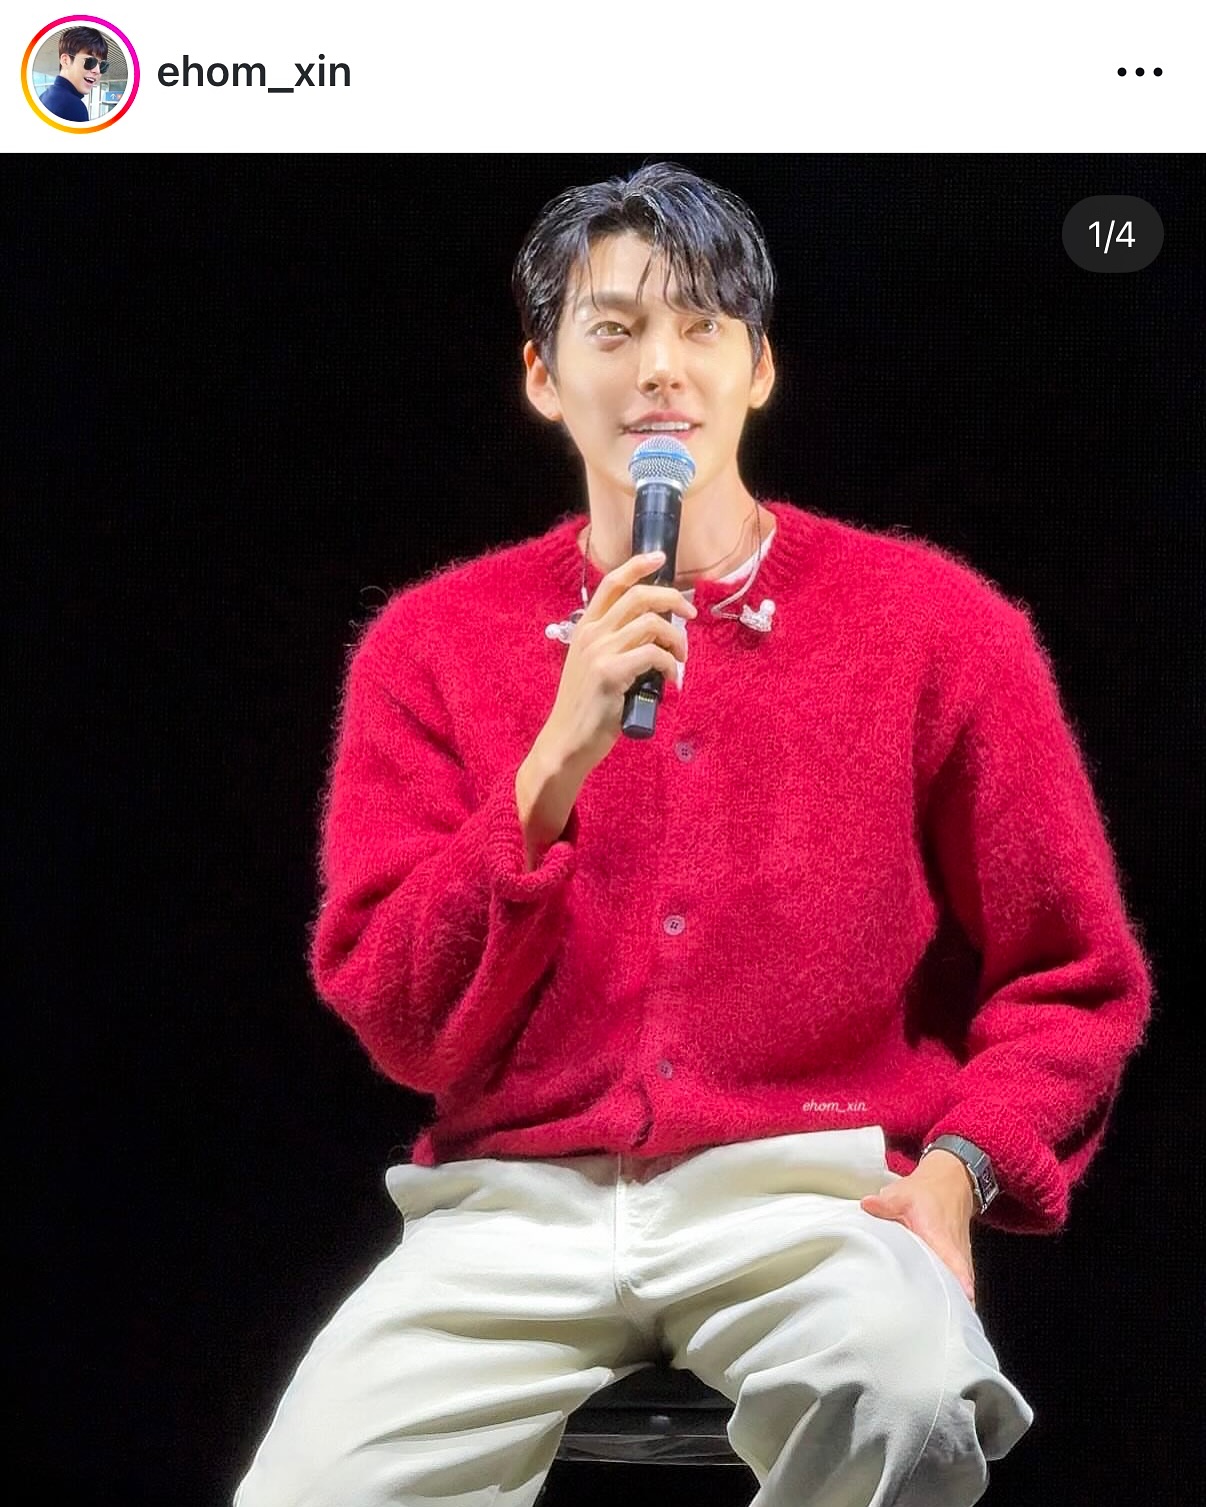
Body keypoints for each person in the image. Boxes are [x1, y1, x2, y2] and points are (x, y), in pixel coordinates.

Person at [234, 162, 1153, 1507]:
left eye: (702, 326)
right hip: (513, 1207)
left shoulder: (936, 626)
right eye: (612, 329)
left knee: (910, 1395)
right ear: (545, 376)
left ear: (757, 368)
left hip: (809, 1193)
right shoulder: (430, 645)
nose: (660, 367)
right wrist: (553, 760)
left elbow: (1073, 981)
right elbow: (402, 1019)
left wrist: (960, 1171)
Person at [39, 27, 109, 123]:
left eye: (102, 65)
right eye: (90, 61)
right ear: (65, 61)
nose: (97, 71)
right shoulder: (73, 107)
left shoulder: (44, 97)